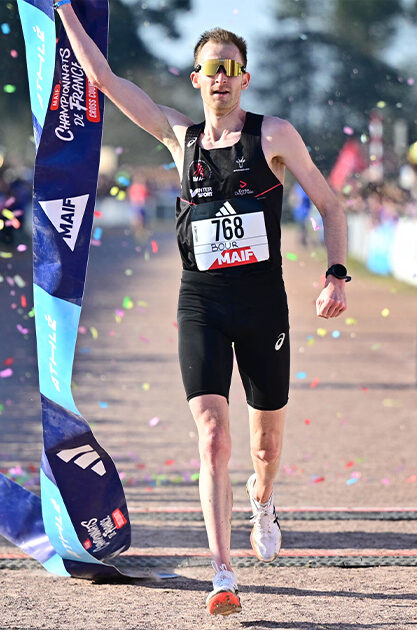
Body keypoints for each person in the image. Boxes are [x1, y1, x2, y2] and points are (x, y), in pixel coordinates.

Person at [56, 1, 351, 616]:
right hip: (202, 302)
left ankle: (263, 500)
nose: (220, 76)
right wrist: (63, 8)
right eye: (210, 66)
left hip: (263, 304)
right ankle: (223, 572)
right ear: (195, 78)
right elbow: (106, 81)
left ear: (245, 77)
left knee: (264, 446)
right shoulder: (178, 137)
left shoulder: (273, 135)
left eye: (231, 67)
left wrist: (335, 275)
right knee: (213, 435)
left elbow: (330, 205)